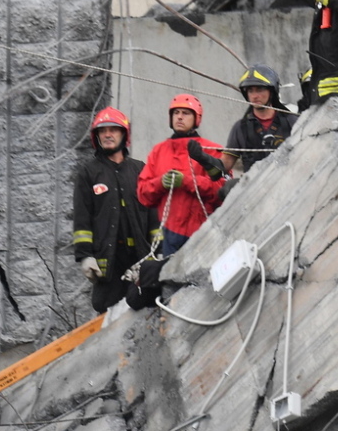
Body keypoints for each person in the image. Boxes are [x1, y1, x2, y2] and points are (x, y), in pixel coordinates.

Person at [73, 107, 160, 313]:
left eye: (113, 130)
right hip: (109, 262)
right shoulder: (88, 173)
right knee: (107, 311)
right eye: (103, 131)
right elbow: (82, 219)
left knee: (146, 310)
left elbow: (153, 215)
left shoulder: (140, 170)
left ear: (124, 134)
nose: (107, 135)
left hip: (140, 258)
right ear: (96, 137)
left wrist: (159, 250)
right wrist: (85, 256)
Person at [137, 94, 227, 256]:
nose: (179, 117)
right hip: (169, 236)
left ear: (196, 119)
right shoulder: (158, 151)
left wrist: (187, 181)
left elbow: (222, 191)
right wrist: (160, 183)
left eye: (185, 113)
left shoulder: (212, 150)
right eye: (176, 112)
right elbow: (143, 194)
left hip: (204, 234)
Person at [222, 64, 299, 173]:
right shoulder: (241, 128)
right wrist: (203, 158)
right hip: (254, 183)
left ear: (272, 92)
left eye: (260, 89)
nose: (254, 96)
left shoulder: (292, 121)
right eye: (250, 91)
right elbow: (222, 168)